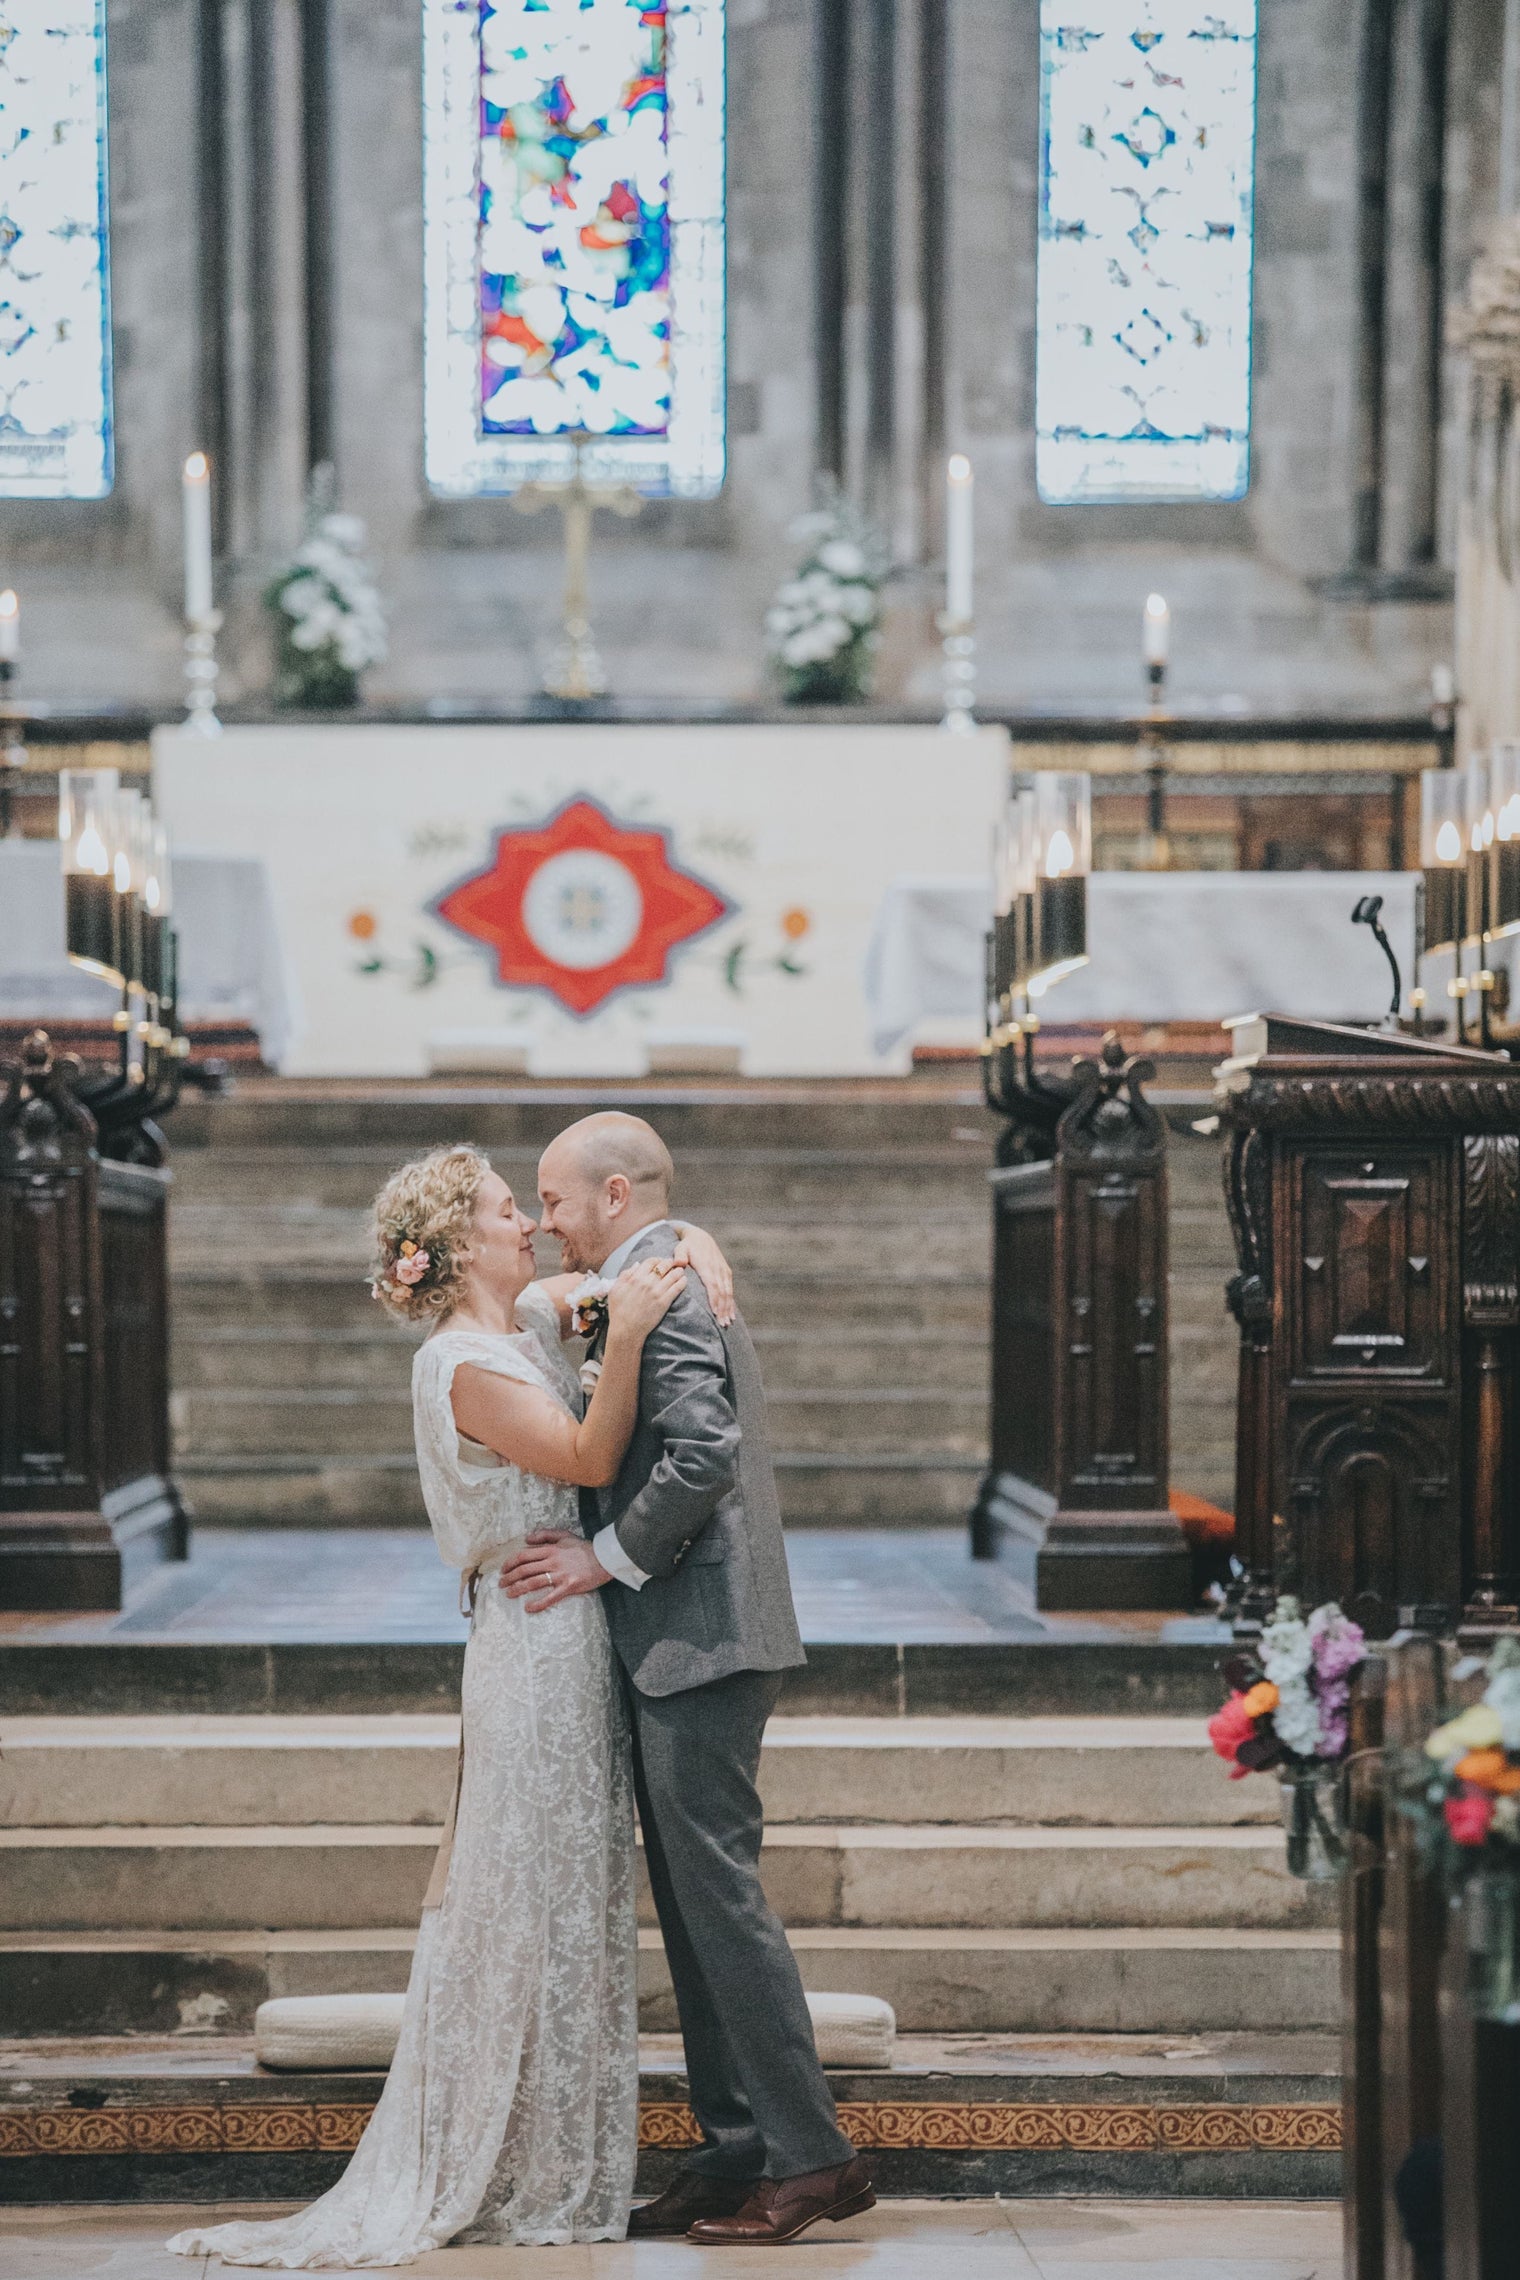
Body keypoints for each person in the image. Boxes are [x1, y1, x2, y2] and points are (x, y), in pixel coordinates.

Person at [168, 1143, 729, 2265]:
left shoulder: (519, 1318)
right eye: (503, 1208)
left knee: (572, 1890)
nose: (527, 1219)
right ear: (458, 1242)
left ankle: (554, 2155)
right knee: (522, 1888)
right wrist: (621, 1337)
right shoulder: (460, 1365)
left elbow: (651, 1249)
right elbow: (578, 1453)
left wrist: (692, 1251)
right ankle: (508, 2161)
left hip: (570, 1632)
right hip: (532, 1643)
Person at [499, 1109, 874, 2247]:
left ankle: (814, 2159)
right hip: (682, 1632)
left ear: (615, 1198)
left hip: (700, 1632)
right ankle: (736, 2149)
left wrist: (601, 1558)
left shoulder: (658, 1289)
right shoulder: (645, 1276)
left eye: (555, 1199)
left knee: (721, 1903)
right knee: (694, 1909)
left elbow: (701, 1455)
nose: (544, 1219)